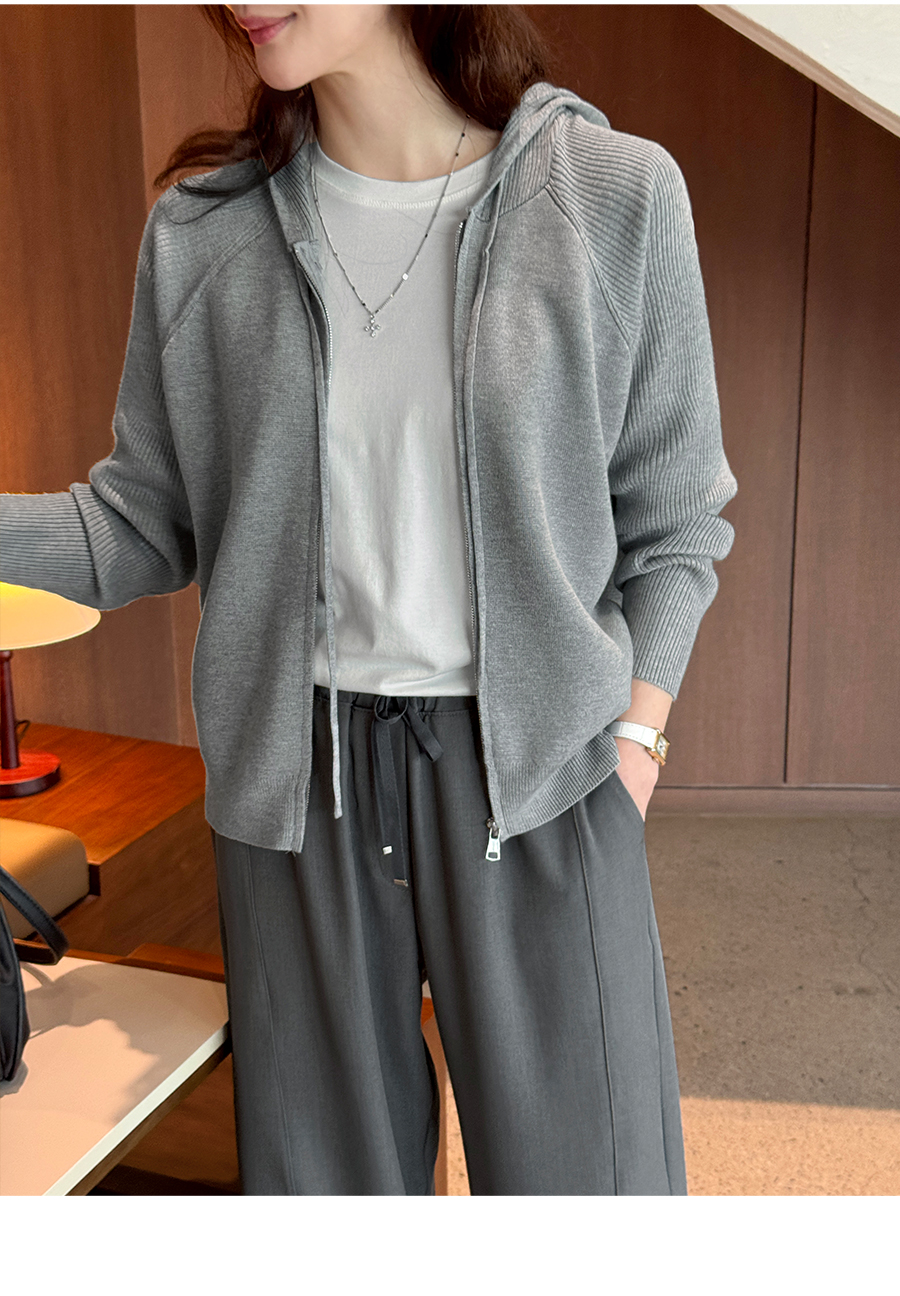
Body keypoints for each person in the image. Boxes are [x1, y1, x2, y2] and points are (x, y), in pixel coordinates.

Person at [0, 5, 738, 1194]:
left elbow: (677, 520)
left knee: (592, 1203)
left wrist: (633, 748)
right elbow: (140, 521)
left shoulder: (610, 195)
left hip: (540, 780)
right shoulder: (206, 232)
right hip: (299, 795)